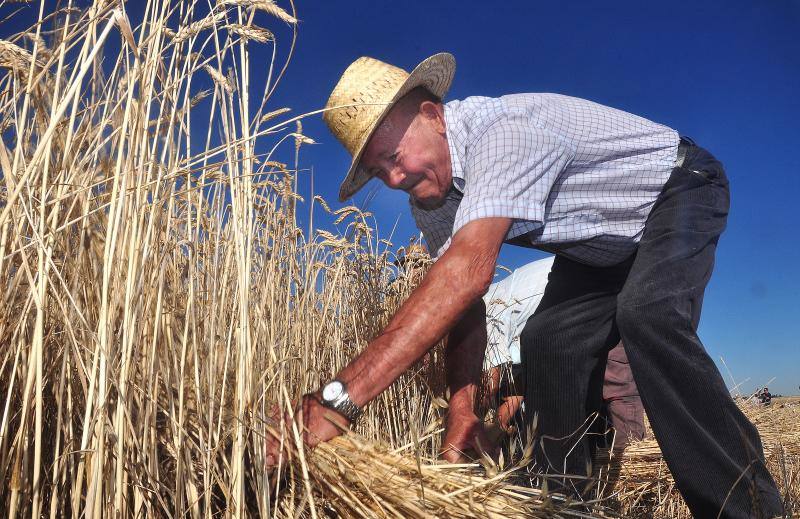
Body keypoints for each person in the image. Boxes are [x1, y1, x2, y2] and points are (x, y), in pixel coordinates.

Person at [268, 53, 784, 518]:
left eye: (394, 156)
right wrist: (463, 409)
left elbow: (469, 270)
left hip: (675, 192)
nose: (396, 179)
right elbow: (463, 307)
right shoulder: (434, 201)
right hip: (597, 248)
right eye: (379, 171)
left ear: (431, 116)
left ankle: (748, 506)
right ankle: (563, 502)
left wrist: (337, 401)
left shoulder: (505, 132)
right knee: (548, 340)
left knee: (648, 316)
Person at [480, 256, 645, 452]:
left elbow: (488, 386)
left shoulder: (485, 310)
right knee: (582, 394)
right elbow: (521, 386)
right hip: (571, 314)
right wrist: (496, 427)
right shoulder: (512, 322)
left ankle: (632, 465)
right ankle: (592, 463)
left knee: (615, 385)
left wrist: (469, 426)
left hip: (600, 292)